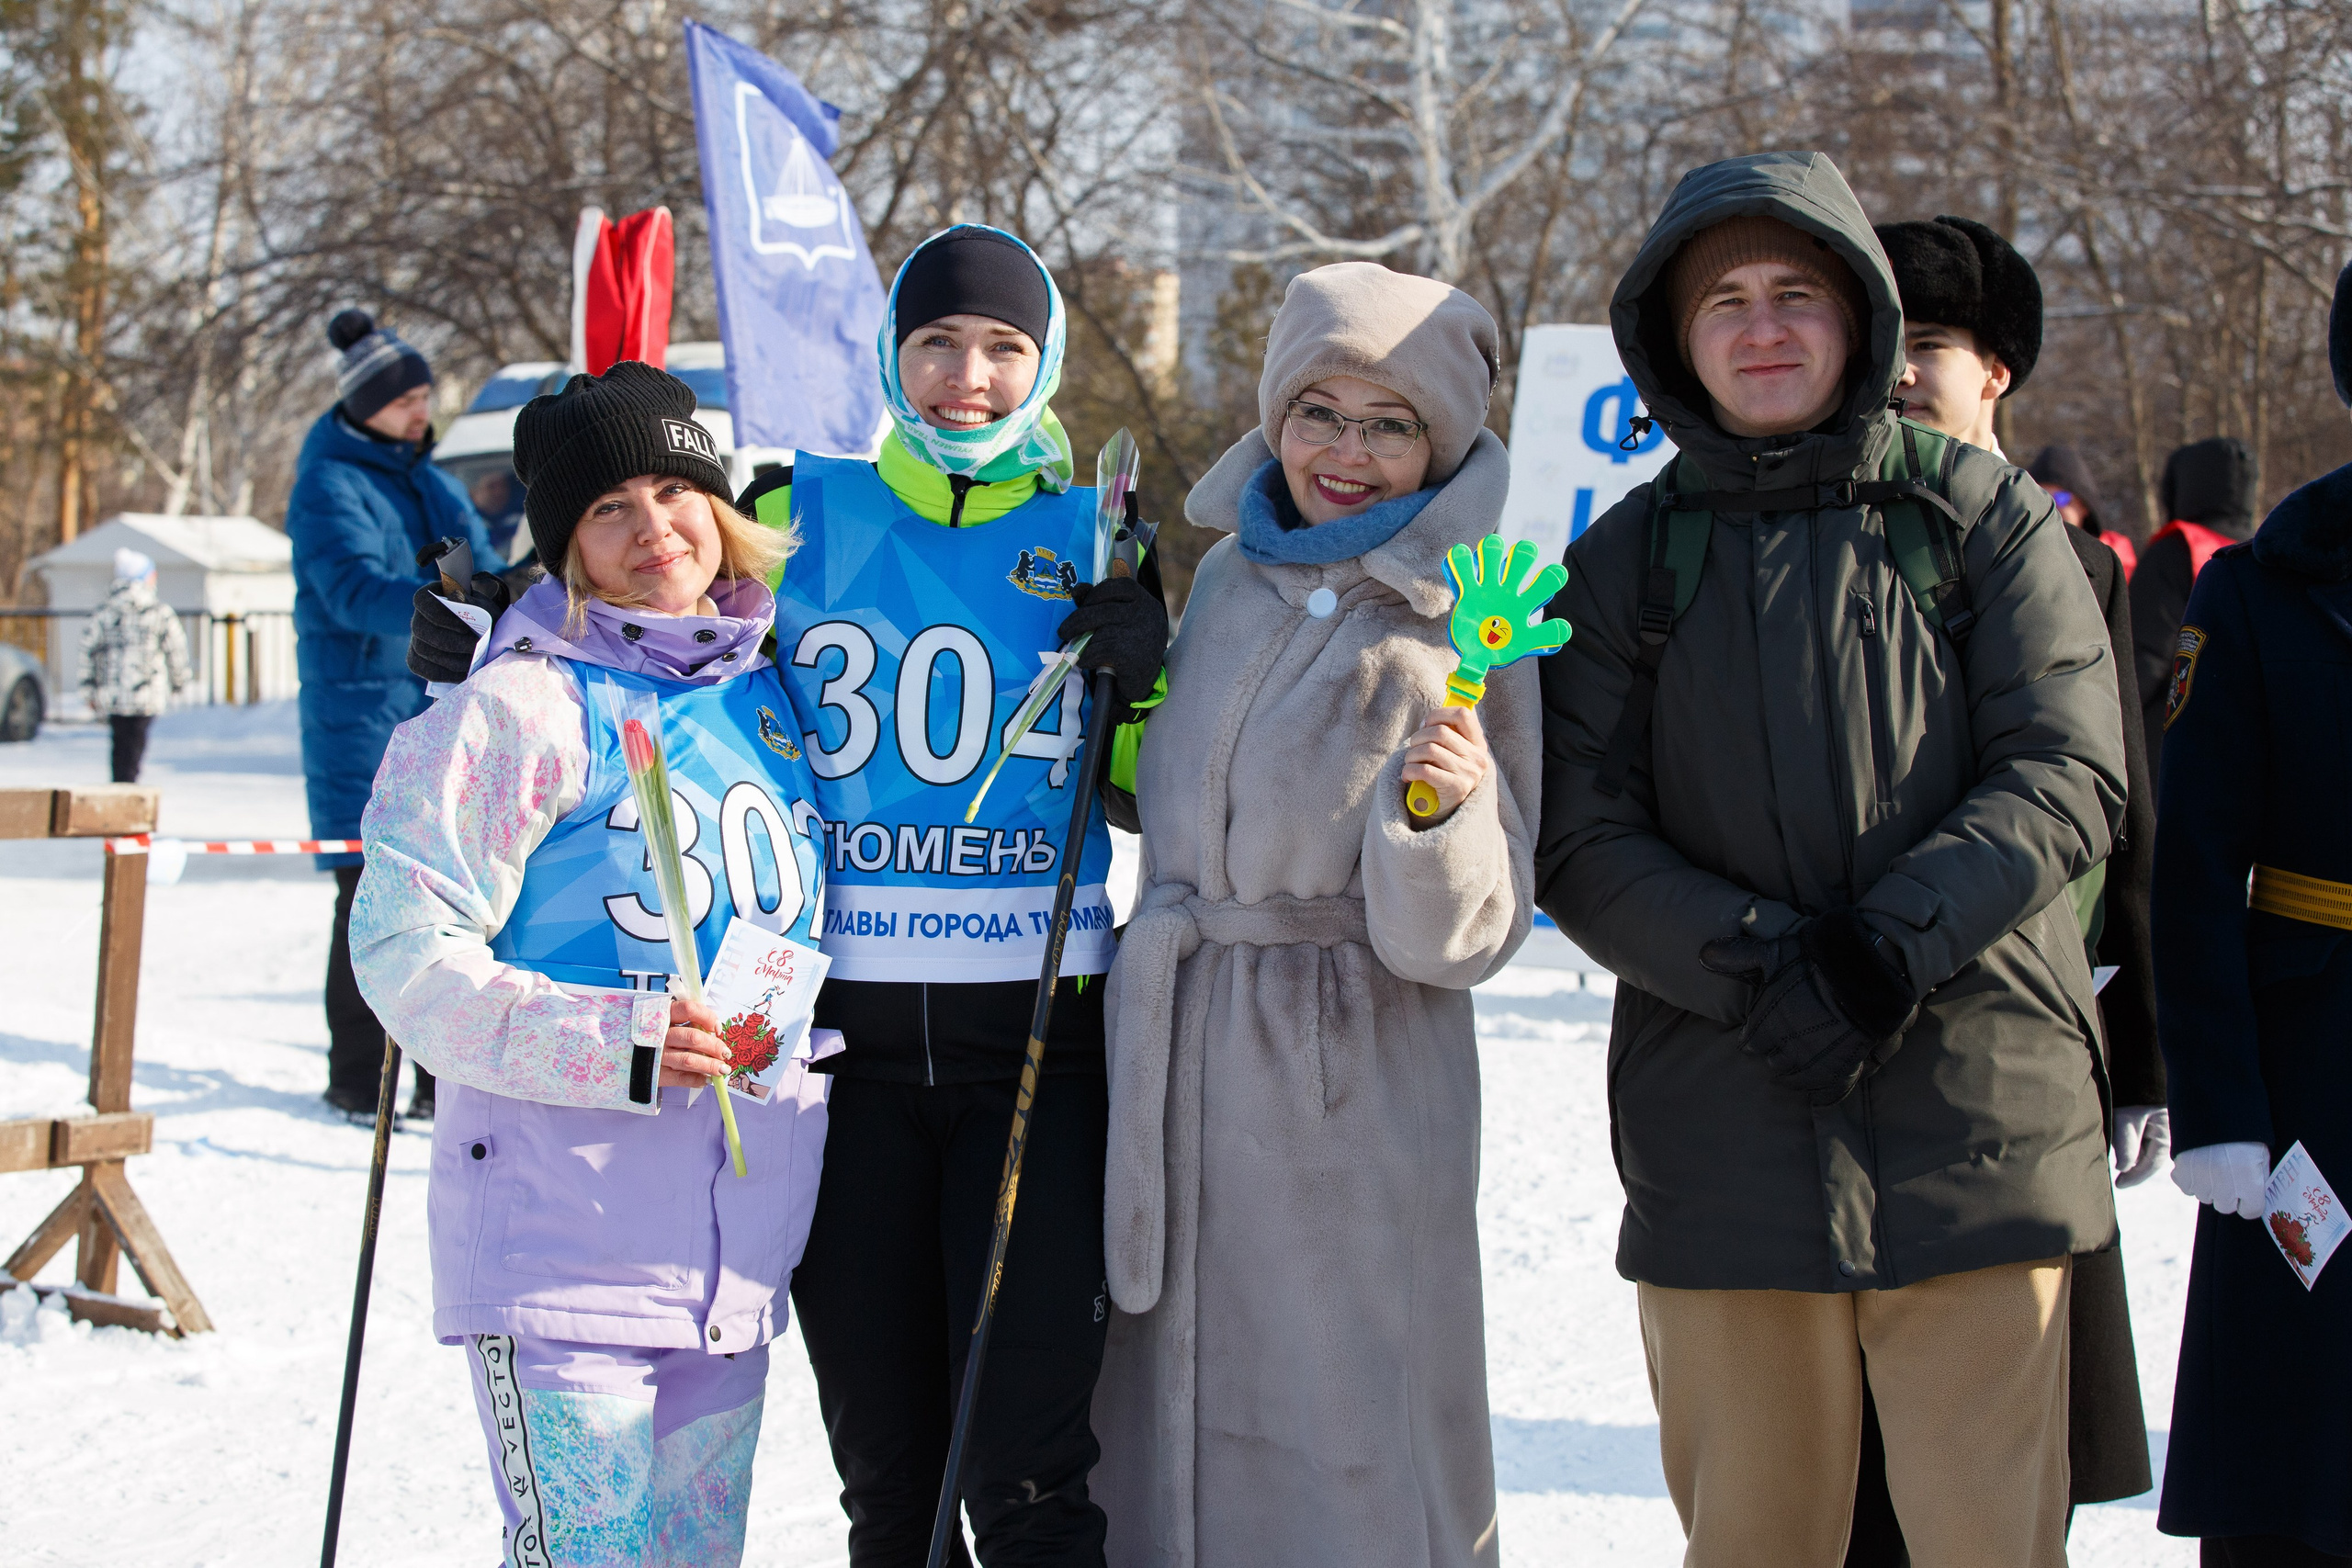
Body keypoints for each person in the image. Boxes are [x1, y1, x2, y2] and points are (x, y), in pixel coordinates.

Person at [417, 223, 1171, 1565]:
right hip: (841, 1057)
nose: (967, 377)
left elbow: (1145, 788)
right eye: (936, 341)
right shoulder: (791, 514)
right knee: (889, 1478)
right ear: (890, 351)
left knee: (1031, 1473)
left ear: (1046, 362)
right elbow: (651, 611)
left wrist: (1148, 681)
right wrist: (491, 625)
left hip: (1037, 1045)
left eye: (1004, 347)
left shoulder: (1099, 535)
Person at [1534, 151, 2127, 1568]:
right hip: (1723, 1131)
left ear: (1859, 314)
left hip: (1979, 1116)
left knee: (1990, 1541)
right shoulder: (1621, 565)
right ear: (1674, 338)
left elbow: (2065, 769)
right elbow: (1576, 830)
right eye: (1724, 300)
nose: (1763, 327)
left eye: (1795, 292)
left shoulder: (1979, 517)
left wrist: (1880, 950)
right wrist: (1765, 966)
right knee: (1755, 1537)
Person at [1090, 263, 1535, 1567]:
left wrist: (1443, 820)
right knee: (1156, 1429)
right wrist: (1119, 708)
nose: (1346, 451)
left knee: (1344, 1429)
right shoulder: (1231, 574)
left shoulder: (1469, 616)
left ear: (1439, 440)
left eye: (1389, 423)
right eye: (1318, 412)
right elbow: (1178, 800)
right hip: (1172, 1054)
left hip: (1348, 1080)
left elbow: (1475, 933)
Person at [351, 362, 829, 1568]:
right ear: (565, 542)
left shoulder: (771, 693)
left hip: (727, 1262)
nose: (652, 526)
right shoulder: (521, 706)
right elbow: (402, 948)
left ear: (721, 506)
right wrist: (616, 1040)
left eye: (675, 490)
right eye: (608, 506)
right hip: (562, 1251)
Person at [1843, 213, 2163, 1556]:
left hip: (2018, 1024)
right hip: (1843, 1009)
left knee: (2004, 1442)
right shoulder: (1818, 538)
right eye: (1885, 344)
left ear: (1997, 371)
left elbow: (2124, 809)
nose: (1902, 373)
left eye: (1930, 344)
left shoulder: (2070, 559)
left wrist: (2138, 1045)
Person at [2151, 263, 2352, 1568]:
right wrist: (2220, 1104)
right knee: (2300, 1450)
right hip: (2318, 1062)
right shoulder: (2268, 585)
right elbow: (2193, 863)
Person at [287, 307, 495, 1124]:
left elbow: (481, 562)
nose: (421, 410)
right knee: (368, 901)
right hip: (361, 721)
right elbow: (348, 590)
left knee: (451, 903)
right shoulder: (328, 484)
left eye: (424, 395)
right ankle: (355, 1076)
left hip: (441, 715)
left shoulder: (432, 481)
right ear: (365, 404)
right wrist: (439, 609)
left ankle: (443, 1079)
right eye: (406, 400)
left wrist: (500, 590)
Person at [2131, 434, 2257, 786]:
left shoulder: (2176, 550)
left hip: (2173, 747)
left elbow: (2144, 656)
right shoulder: (2261, 555)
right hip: (2247, 745)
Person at [77, 547, 191, 783]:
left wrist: (88, 687)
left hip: (113, 695)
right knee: (136, 743)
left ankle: (121, 784)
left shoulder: (104, 613)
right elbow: (176, 649)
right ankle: (128, 786)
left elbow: (87, 651)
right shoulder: (159, 612)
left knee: (119, 743)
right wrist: (180, 680)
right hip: (146, 694)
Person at [2030, 442, 2137, 578]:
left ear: (2084, 505)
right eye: (2042, 497)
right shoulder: (2022, 557)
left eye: (2062, 498)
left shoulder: (2113, 564)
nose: (2052, 507)